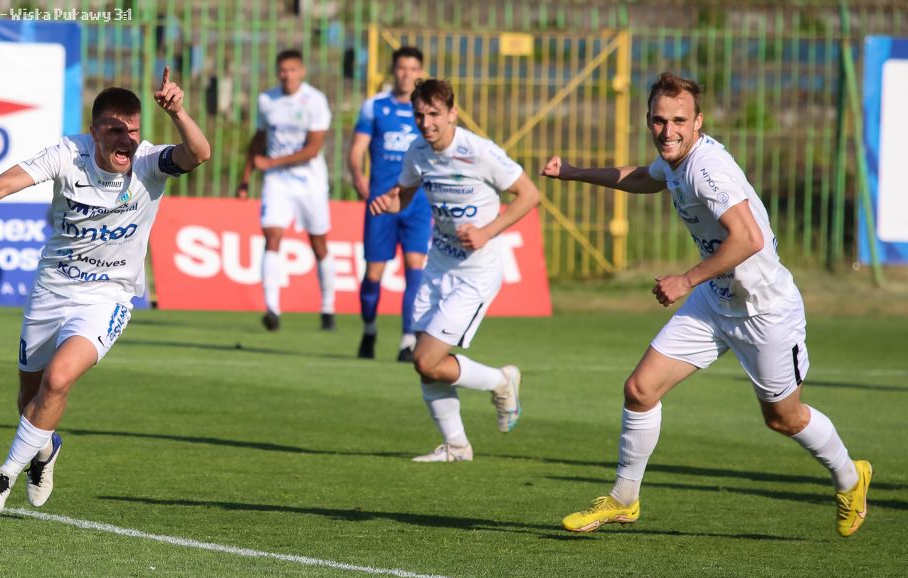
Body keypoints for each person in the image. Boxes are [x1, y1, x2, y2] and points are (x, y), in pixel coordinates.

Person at [543, 72, 871, 536]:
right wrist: (574, 172)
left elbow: (749, 238)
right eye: (659, 120)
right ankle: (623, 499)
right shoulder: (676, 161)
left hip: (763, 311)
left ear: (699, 122)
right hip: (715, 301)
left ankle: (851, 477)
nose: (667, 131)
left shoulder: (706, 169)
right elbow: (645, 177)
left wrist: (685, 279)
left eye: (679, 121)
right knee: (640, 390)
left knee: (783, 418)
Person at [0, 69, 211, 515]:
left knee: (59, 379)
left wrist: (178, 113)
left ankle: (3, 478)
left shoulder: (149, 162)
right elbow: (3, 183)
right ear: (94, 132)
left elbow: (199, 153)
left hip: (108, 296)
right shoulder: (67, 155)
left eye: (133, 131)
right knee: (30, 399)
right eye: (115, 131)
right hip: (52, 289)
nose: (126, 141)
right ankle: (45, 450)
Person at [370, 79, 539, 462]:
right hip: (438, 264)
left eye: (434, 114)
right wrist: (390, 202)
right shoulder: (417, 151)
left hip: (475, 271)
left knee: (426, 360)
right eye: (419, 115)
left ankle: (501, 381)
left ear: (452, 114)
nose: (426, 122)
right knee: (426, 366)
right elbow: (403, 196)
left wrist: (486, 232)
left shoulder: (479, 151)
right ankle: (457, 446)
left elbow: (530, 195)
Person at [238, 49, 335, 332]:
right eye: (283, 70)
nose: (287, 75)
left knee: (319, 244)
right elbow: (259, 138)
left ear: (302, 71)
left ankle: (328, 308)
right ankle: (272, 309)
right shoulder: (267, 100)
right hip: (277, 182)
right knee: (272, 235)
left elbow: (313, 148)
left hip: (310, 182)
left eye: (292, 70)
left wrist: (271, 162)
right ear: (277, 72)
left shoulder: (315, 100)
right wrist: (245, 178)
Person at [349, 46, 432, 362]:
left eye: (413, 69)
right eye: (401, 68)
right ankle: (369, 330)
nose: (407, 74)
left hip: (418, 202)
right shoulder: (375, 106)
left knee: (415, 268)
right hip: (381, 203)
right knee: (374, 273)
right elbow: (358, 148)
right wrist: (358, 174)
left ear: (420, 72)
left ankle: (407, 340)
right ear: (393, 71)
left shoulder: (427, 111)